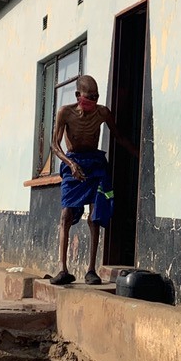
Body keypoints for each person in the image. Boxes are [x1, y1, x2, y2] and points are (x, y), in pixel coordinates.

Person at [49, 75, 137, 285]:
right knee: (66, 215)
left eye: (96, 97)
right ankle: (62, 269)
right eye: (89, 97)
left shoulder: (102, 112)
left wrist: (137, 153)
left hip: (95, 163)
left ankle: (91, 269)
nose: (92, 101)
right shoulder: (66, 113)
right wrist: (71, 165)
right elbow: (54, 144)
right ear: (78, 96)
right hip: (73, 161)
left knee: (95, 215)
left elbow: (117, 135)